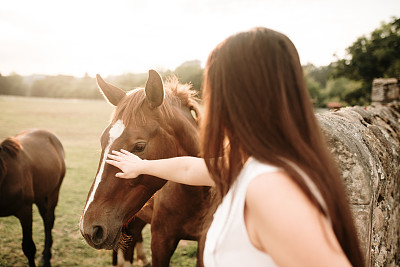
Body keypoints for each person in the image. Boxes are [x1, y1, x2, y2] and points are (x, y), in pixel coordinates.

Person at [106, 27, 364, 267]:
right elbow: (188, 168)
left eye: (214, 90)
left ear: (235, 98)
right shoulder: (254, 163)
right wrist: (142, 165)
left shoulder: (270, 188)